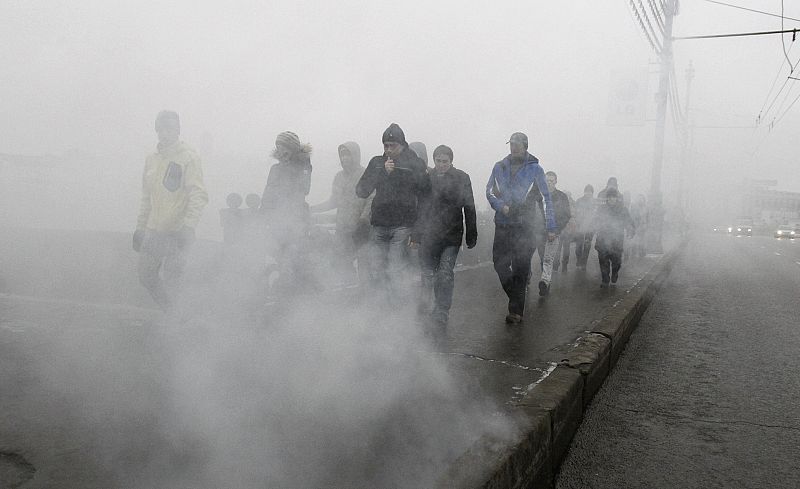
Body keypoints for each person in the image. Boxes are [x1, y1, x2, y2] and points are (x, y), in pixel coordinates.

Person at [133, 110, 208, 310]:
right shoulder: (152, 159)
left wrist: (189, 226)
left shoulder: (188, 157)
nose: (165, 133)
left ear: (178, 130)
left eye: (170, 128)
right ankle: (172, 312)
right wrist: (140, 228)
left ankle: (180, 323)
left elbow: (198, 194)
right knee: (146, 275)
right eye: (161, 129)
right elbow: (146, 197)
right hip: (153, 230)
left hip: (177, 231)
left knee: (174, 279)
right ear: (157, 130)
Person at [356, 123, 431, 306]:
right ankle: (383, 309)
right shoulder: (376, 162)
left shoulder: (414, 163)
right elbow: (361, 191)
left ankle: (401, 310)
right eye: (385, 146)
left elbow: (425, 195)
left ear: (403, 145)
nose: (388, 150)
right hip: (379, 224)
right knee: (377, 269)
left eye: (393, 146)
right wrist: (382, 172)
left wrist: (418, 232)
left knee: (396, 269)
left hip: (403, 225)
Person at [486, 132, 556, 324]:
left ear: (525, 146)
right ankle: (515, 296)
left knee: (520, 267)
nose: (513, 147)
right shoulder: (499, 166)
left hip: (525, 226)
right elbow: (489, 191)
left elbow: (546, 198)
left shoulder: (536, 170)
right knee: (499, 264)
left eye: (517, 144)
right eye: (511, 144)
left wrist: (551, 226)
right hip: (502, 223)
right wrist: (501, 206)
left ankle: (516, 311)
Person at [417, 145, 477, 326]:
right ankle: (426, 303)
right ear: (434, 161)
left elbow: (469, 206)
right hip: (430, 234)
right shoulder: (427, 178)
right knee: (428, 273)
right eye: (438, 161)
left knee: (444, 273)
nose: (441, 164)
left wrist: (471, 233)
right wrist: (416, 234)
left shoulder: (461, 178)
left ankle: (442, 309)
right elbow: (421, 208)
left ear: (451, 161)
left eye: (445, 161)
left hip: (452, 234)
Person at [260, 131, 314, 292]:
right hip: (278, 223)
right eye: (278, 147)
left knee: (295, 258)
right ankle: (283, 294)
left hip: (297, 221)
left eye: (284, 148)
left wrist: (293, 166)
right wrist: (262, 215)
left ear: (292, 149)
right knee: (280, 259)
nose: (281, 151)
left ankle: (298, 294)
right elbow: (267, 193)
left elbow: (304, 189)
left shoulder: (303, 166)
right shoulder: (275, 169)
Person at [311, 142, 371, 283]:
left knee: (363, 261)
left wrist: (363, 219)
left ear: (356, 155)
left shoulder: (365, 174)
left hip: (361, 228)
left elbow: (371, 199)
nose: (344, 158)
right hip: (342, 227)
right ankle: (347, 291)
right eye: (342, 154)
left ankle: (365, 292)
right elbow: (334, 201)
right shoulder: (339, 177)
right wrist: (312, 209)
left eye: (348, 154)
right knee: (342, 261)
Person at [594, 188, 635, 288]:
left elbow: (628, 221)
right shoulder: (601, 209)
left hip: (616, 239)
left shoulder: (622, 209)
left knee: (616, 261)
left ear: (617, 198)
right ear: (607, 198)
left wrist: (630, 229)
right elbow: (595, 221)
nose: (612, 199)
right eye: (610, 197)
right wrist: (590, 232)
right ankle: (605, 279)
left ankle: (615, 273)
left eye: (614, 197)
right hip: (603, 238)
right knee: (603, 259)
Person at [537, 171, 571, 287]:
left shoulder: (562, 196)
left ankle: (545, 282)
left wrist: (556, 230)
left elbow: (566, 215)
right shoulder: (539, 196)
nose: (549, 183)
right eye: (547, 181)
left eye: (551, 181)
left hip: (554, 233)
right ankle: (546, 279)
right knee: (542, 258)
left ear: (556, 181)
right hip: (539, 232)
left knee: (548, 258)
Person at [573, 184, 596, 270]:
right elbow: (575, 213)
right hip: (580, 227)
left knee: (587, 246)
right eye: (587, 191)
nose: (588, 193)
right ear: (584, 192)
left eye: (590, 192)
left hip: (590, 228)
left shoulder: (594, 202)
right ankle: (579, 260)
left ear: (592, 193)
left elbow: (596, 215)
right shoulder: (579, 201)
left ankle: (584, 264)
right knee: (578, 246)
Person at [629, 194, 648, 259]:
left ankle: (642, 252)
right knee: (635, 240)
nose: (640, 200)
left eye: (642, 199)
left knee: (642, 240)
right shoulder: (635, 208)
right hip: (636, 226)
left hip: (643, 226)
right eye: (639, 199)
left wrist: (646, 224)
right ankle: (633, 253)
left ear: (644, 200)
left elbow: (647, 217)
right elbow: (633, 216)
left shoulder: (646, 208)